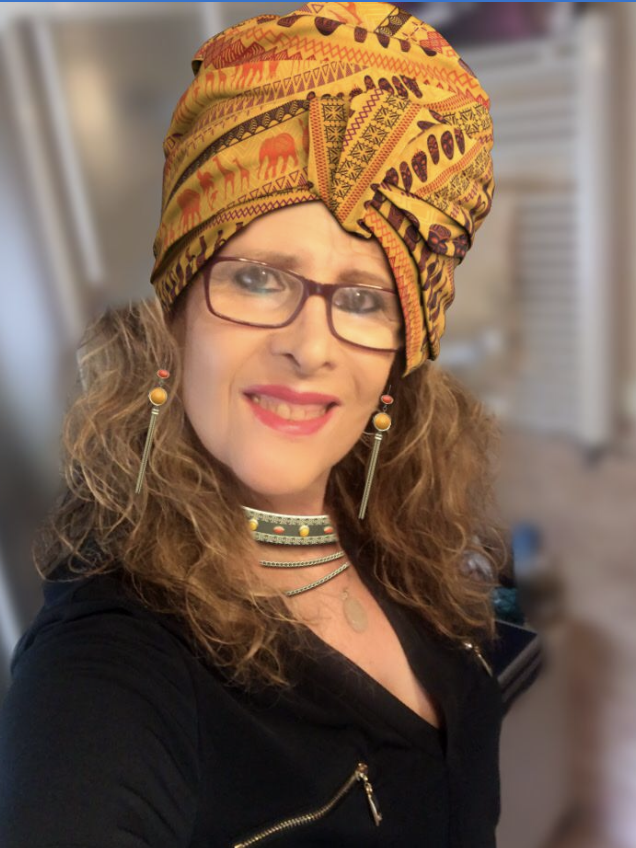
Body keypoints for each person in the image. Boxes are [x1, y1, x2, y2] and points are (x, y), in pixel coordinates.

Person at [0, 3, 506, 846]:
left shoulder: (404, 546)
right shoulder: (106, 669)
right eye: (259, 278)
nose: (310, 346)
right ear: (175, 315)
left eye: (363, 298)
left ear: (402, 351)